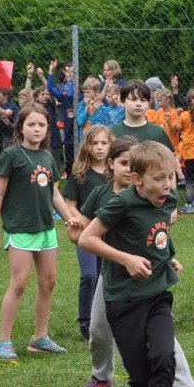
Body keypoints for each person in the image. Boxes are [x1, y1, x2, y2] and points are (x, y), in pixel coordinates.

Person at [77, 140, 190, 387]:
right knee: (140, 376)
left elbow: (157, 233)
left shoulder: (168, 198)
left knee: (164, 356)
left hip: (157, 295)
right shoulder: (120, 203)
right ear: (137, 179)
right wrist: (125, 259)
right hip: (123, 299)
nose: (167, 185)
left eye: (171, 177)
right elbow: (87, 238)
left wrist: (168, 257)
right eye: (159, 178)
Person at [0, 103, 84, 360]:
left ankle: (40, 338)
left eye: (42, 124)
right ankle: (2, 342)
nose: (37, 129)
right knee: (19, 283)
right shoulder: (10, 155)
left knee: (48, 282)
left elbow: (54, 194)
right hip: (20, 228)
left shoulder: (48, 156)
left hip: (46, 229)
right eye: (31, 124)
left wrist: (70, 218)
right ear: (21, 127)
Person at [62, 125, 113, 341]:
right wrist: (81, 220)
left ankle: (107, 318)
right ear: (87, 146)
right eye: (94, 143)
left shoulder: (115, 173)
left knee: (107, 276)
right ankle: (85, 320)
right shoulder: (80, 174)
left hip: (110, 234)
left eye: (104, 143)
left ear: (110, 146)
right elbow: (70, 205)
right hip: (86, 233)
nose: (99, 147)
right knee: (90, 275)